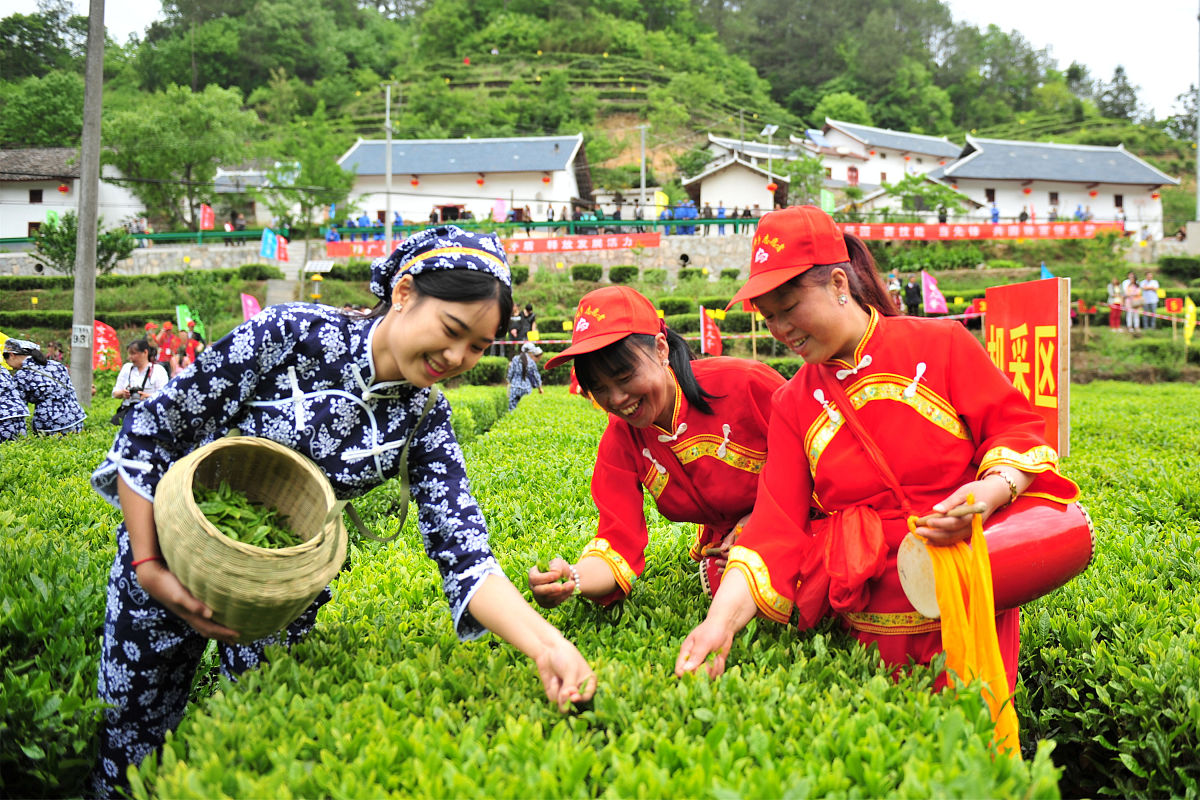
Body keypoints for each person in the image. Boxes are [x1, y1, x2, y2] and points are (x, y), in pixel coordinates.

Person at [87, 225, 596, 798]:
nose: (457, 357)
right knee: (129, 743)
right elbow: (153, 425)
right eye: (452, 330)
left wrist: (548, 646)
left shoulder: (425, 415)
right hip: (168, 551)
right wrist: (147, 564)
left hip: (276, 594)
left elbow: (467, 555)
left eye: (478, 347)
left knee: (257, 753)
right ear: (404, 293)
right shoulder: (290, 334)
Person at [674, 205, 1079, 710]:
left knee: (975, 731)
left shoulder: (942, 344)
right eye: (768, 316)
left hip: (967, 586)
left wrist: (989, 492)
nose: (780, 328)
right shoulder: (792, 402)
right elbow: (773, 528)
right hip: (869, 613)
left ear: (838, 283)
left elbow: (1015, 428)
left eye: (788, 307)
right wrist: (719, 624)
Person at [528, 286, 786, 609]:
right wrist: (572, 578)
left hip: (802, 518)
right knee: (739, 580)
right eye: (600, 388)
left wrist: (758, 520)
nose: (617, 399)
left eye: (625, 376)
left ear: (661, 349)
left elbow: (818, 465)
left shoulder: (744, 383)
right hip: (731, 543)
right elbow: (617, 541)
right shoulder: (621, 438)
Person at [3, 338, 86, 435]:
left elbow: (19, 406)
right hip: (76, 416)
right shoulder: (57, 365)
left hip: (51, 424)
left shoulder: (22, 375)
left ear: (12, 355)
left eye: (5, 358)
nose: (6, 363)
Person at [112, 339, 168, 404]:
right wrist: (123, 393)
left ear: (145, 352)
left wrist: (147, 396)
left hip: (149, 407)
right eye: (129, 354)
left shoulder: (158, 370)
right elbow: (115, 393)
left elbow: (164, 395)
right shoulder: (127, 368)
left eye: (133, 354)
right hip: (128, 407)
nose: (130, 357)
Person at [507, 341, 544, 411]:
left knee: (512, 409)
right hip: (526, 387)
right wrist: (540, 388)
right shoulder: (531, 362)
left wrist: (509, 381)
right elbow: (536, 376)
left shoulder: (515, 359)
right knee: (524, 409)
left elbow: (510, 373)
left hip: (514, 387)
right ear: (531, 352)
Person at [0, 359, 29, 442]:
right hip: (16, 412)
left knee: (7, 445)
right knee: (18, 444)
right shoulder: (2, 369)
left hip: (4, 416)